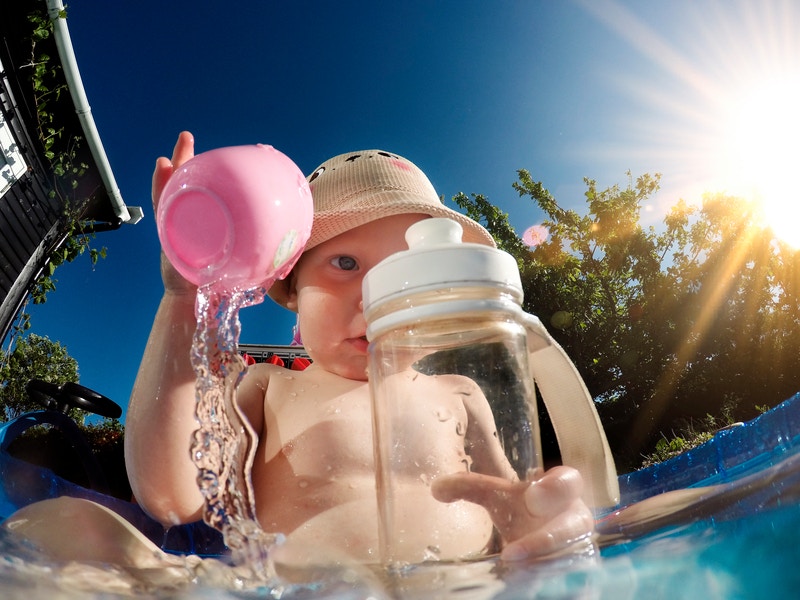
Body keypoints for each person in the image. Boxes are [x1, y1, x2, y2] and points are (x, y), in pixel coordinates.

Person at [122, 131, 594, 565]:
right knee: (75, 525)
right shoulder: (272, 387)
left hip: (466, 588)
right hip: (312, 592)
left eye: (407, 268)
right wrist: (186, 297)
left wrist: (543, 525)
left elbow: (512, 502)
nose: (375, 295)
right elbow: (176, 495)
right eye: (345, 263)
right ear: (294, 290)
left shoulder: (461, 392)